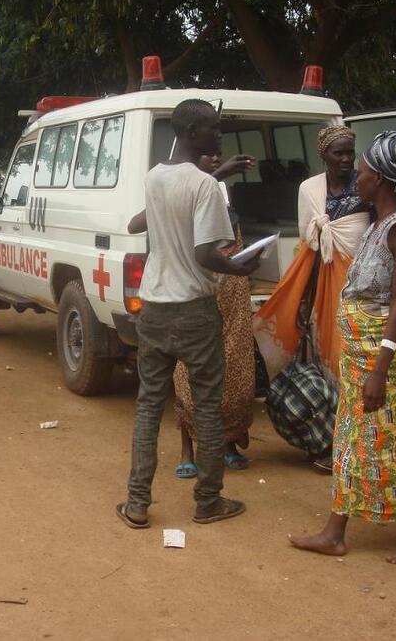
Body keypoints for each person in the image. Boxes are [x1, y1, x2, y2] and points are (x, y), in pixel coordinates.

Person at [290, 131, 396, 565]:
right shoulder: (379, 223)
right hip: (363, 354)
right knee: (351, 438)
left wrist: (381, 369)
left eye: (364, 170)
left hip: (392, 359)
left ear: (381, 179)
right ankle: (335, 532)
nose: (357, 176)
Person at [116, 99, 260, 530]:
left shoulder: (155, 177)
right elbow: (205, 254)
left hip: (155, 308)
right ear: (193, 131)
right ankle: (208, 502)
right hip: (195, 311)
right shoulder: (205, 187)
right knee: (208, 408)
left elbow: (149, 221)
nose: (219, 137)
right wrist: (240, 266)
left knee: (147, 408)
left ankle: (137, 503)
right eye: (214, 129)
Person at [132, 153, 257, 476]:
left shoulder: (210, 190)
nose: (215, 157)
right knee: (192, 381)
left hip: (226, 291)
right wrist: (217, 174)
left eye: (218, 154)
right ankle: (202, 480)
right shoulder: (181, 188)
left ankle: (140, 499)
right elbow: (201, 251)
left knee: (232, 369)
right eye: (207, 152)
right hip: (194, 296)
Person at [253, 126, 372, 467]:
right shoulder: (309, 190)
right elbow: (310, 247)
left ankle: (360, 443)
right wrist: (304, 300)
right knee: (327, 362)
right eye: (340, 153)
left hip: (360, 290)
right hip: (322, 288)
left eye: (351, 152)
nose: (347, 159)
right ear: (324, 155)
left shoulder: (365, 186)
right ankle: (333, 440)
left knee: (356, 364)